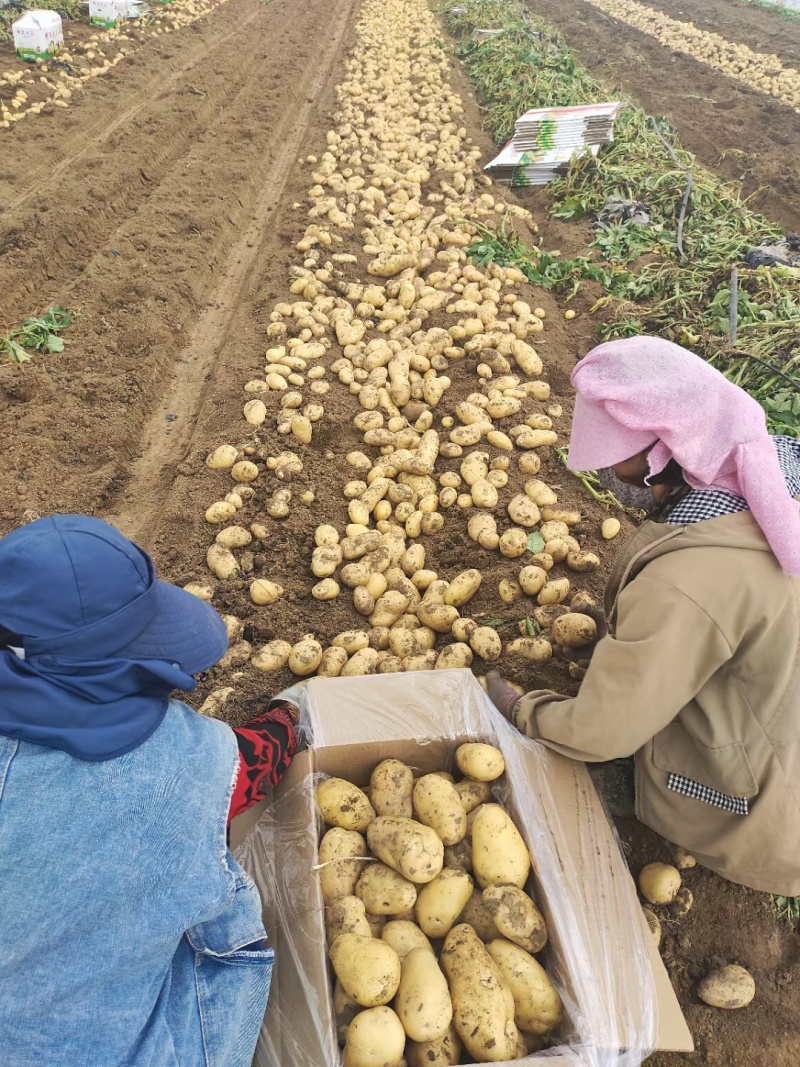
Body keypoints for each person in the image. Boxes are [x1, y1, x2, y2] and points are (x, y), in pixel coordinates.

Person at [488, 336, 800, 896]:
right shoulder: (768, 469)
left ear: (669, 449)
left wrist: (521, 709)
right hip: (780, 717)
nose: (608, 473)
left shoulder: (689, 581)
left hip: (766, 814)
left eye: (618, 461)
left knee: (554, 766)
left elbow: (600, 733)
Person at [0, 515, 300, 1067]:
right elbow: (254, 767)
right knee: (215, 914)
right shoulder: (185, 760)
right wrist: (288, 717)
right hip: (98, 1052)